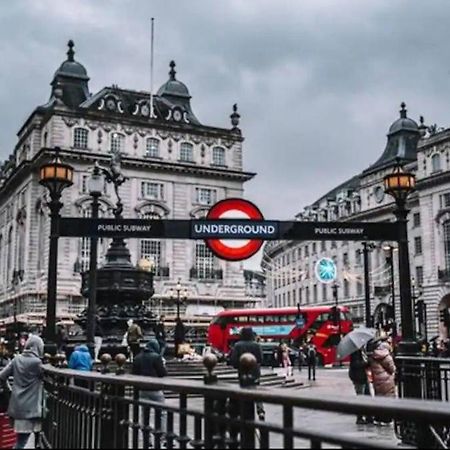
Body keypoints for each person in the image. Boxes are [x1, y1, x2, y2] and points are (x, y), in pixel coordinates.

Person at [0, 335, 44, 450]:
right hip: (32, 409)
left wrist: (9, 390)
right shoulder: (38, 363)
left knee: (22, 439)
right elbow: (46, 378)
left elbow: (1, 377)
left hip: (17, 406)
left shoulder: (16, 359)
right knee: (22, 442)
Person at [132, 339, 167, 446]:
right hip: (155, 389)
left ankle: (147, 439)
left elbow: (134, 374)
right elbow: (162, 373)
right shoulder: (156, 357)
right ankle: (163, 437)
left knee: (144, 414)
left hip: (142, 390)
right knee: (161, 413)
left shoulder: (137, 357)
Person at [229, 327, 265, 421]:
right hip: (255, 372)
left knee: (243, 390)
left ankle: (242, 410)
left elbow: (233, 360)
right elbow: (260, 359)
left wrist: (238, 365)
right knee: (256, 391)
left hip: (242, 371)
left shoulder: (238, 345)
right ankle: (260, 410)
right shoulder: (256, 345)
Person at [368, 339, 396, 425]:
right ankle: (387, 420)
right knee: (388, 400)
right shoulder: (387, 357)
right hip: (387, 380)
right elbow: (392, 369)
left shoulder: (373, 356)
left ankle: (379, 418)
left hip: (377, 380)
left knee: (379, 399)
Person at [349, 349, 372, 425]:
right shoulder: (355, 351)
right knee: (361, 397)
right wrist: (366, 363)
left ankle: (369, 417)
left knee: (368, 396)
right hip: (358, 377)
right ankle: (359, 418)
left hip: (363, 376)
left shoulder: (361, 351)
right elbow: (355, 364)